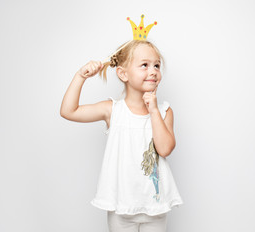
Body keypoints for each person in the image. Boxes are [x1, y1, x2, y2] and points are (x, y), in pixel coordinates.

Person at [60, 39, 183, 232]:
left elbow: (165, 149)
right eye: (145, 65)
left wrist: (153, 112)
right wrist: (80, 76)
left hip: (155, 207)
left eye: (157, 65)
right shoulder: (113, 110)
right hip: (121, 207)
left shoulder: (164, 112)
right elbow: (69, 111)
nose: (153, 71)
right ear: (123, 73)